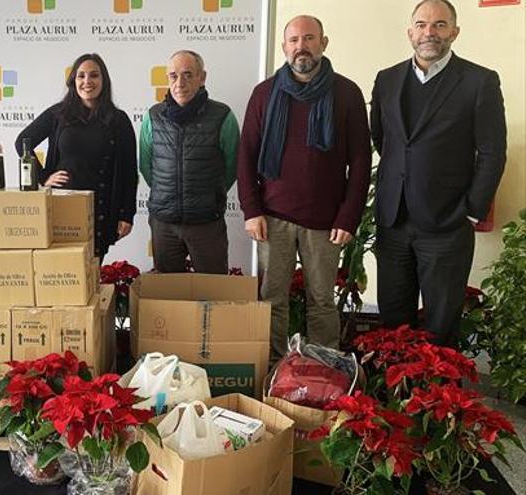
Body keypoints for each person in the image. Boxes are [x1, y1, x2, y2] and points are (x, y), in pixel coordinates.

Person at [371, 0, 506, 346]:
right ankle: (394, 397)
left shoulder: (479, 82)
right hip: (393, 221)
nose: (429, 32)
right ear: (410, 32)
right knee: (393, 321)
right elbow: (383, 139)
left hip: (447, 224)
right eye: (421, 24)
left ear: (455, 32)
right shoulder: (386, 80)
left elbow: (491, 153)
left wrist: (472, 210)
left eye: (440, 25)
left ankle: (440, 398)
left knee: (441, 325)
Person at [237, 15, 371, 362]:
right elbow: (246, 155)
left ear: (323, 43)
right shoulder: (264, 93)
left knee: (322, 302)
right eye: (294, 40)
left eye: (309, 39)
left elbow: (359, 161)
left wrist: (348, 217)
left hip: (326, 223)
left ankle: (324, 369)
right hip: (273, 218)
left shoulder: (346, 92)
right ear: (284, 47)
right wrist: (252, 211)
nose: (301, 46)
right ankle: (274, 368)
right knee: (272, 300)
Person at [15, 53, 137, 260]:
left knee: (91, 275)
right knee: (61, 272)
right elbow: (22, 142)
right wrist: (43, 176)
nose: (87, 81)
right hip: (62, 206)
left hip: (100, 209)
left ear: (103, 80)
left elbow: (129, 171)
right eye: (81, 76)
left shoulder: (118, 120)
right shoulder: (58, 114)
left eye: (94, 75)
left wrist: (127, 214)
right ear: (74, 81)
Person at [139, 50, 239, 274]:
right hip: (164, 223)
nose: (179, 83)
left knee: (214, 292)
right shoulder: (152, 116)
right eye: (173, 76)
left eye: (187, 75)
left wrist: (210, 196)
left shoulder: (223, 116)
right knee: (168, 297)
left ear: (202, 77)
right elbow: (146, 166)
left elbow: (232, 167)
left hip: (206, 223)